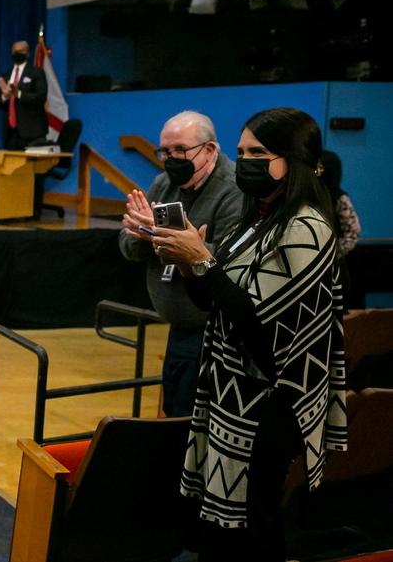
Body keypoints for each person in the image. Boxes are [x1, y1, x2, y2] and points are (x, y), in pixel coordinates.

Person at [153, 107, 348, 562]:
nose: (245, 162)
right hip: (233, 395)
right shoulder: (256, 221)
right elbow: (216, 305)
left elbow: (264, 333)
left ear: (292, 160)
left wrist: (203, 261)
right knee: (228, 532)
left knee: (256, 530)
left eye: (258, 153)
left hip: (269, 405)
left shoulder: (306, 227)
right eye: (241, 153)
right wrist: (190, 264)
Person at [119, 111, 242, 417]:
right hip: (177, 325)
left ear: (209, 150)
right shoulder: (164, 184)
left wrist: (158, 232)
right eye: (165, 151)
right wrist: (141, 233)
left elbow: (229, 259)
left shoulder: (234, 189)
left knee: (189, 417)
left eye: (180, 150)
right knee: (173, 409)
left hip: (214, 331)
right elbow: (128, 247)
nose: (170, 158)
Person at [319, 150, 361, 307]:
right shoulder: (314, 196)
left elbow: (353, 233)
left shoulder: (340, 197)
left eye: (320, 168)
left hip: (342, 264)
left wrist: (332, 253)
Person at [0, 40, 47, 150]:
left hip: (32, 133)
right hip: (10, 133)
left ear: (28, 54)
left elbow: (41, 97)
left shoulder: (37, 73)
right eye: (15, 51)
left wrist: (19, 94)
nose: (18, 53)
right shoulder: (6, 75)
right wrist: (5, 96)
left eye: (21, 51)